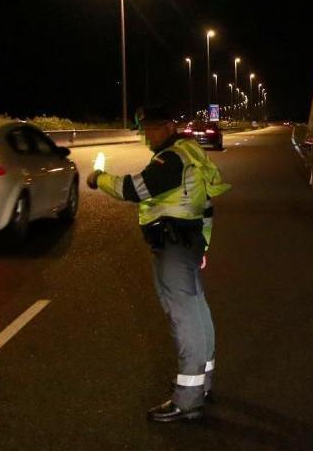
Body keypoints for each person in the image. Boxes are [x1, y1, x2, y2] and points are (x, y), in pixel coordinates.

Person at [86, 104, 231, 422]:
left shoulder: (171, 158)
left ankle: (188, 399)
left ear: (168, 127)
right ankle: (202, 383)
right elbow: (206, 206)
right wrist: (203, 243)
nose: (146, 135)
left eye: (151, 128)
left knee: (184, 317)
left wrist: (99, 178)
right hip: (189, 241)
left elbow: (133, 189)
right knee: (196, 309)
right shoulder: (191, 153)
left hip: (174, 246)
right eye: (143, 128)